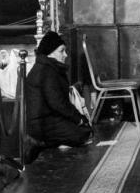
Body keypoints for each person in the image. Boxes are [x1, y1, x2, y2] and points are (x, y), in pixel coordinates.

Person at [25, 31, 91, 159]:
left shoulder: (48, 67)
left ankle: (52, 141)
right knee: (84, 133)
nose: (65, 55)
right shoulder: (47, 71)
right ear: (50, 53)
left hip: (47, 120)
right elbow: (58, 103)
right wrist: (78, 119)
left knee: (84, 129)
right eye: (61, 51)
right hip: (42, 125)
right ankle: (45, 143)